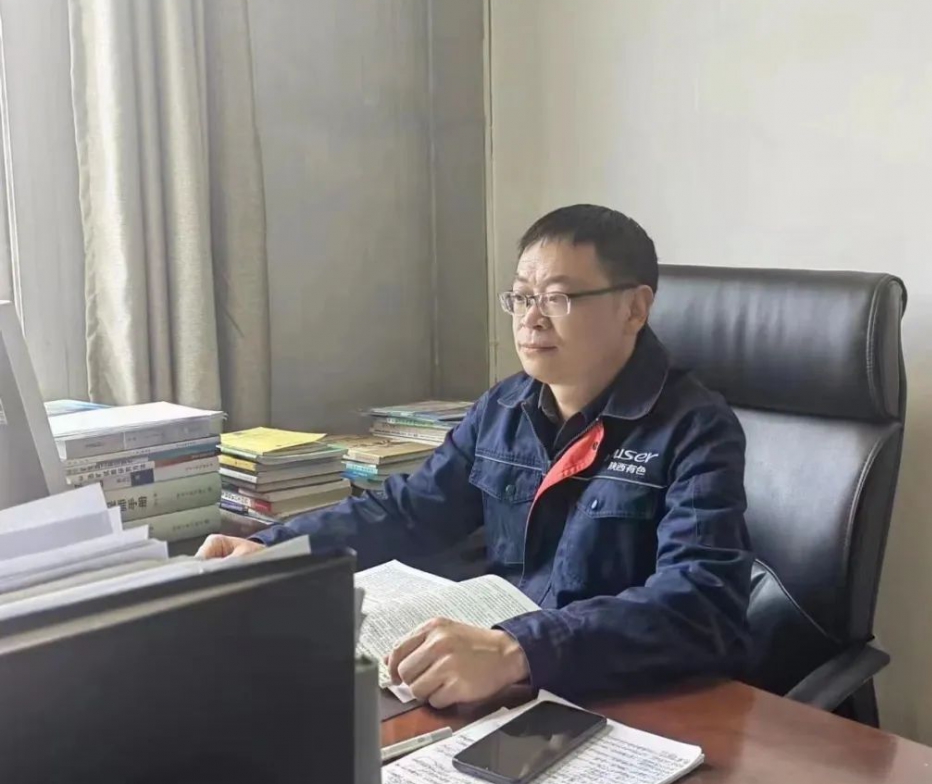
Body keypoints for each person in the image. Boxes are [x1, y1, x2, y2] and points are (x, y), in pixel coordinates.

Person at [199, 204, 753, 707]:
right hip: (503, 685)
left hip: (621, 693)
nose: (531, 319)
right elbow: (409, 511)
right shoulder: (504, 407)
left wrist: (518, 649)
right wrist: (274, 551)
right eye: (522, 297)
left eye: (557, 298)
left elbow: (702, 603)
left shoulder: (695, 427)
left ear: (634, 308)